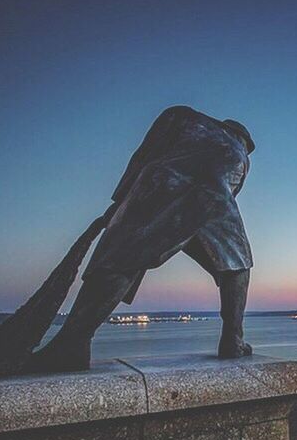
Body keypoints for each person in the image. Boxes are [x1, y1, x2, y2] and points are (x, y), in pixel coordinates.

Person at [28, 106, 256, 372]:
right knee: (237, 265)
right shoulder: (236, 151)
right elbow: (233, 189)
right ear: (240, 137)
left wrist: (121, 199)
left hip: (162, 185)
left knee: (121, 259)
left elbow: (144, 155)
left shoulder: (182, 115)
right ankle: (232, 339)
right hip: (210, 199)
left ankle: (73, 341)